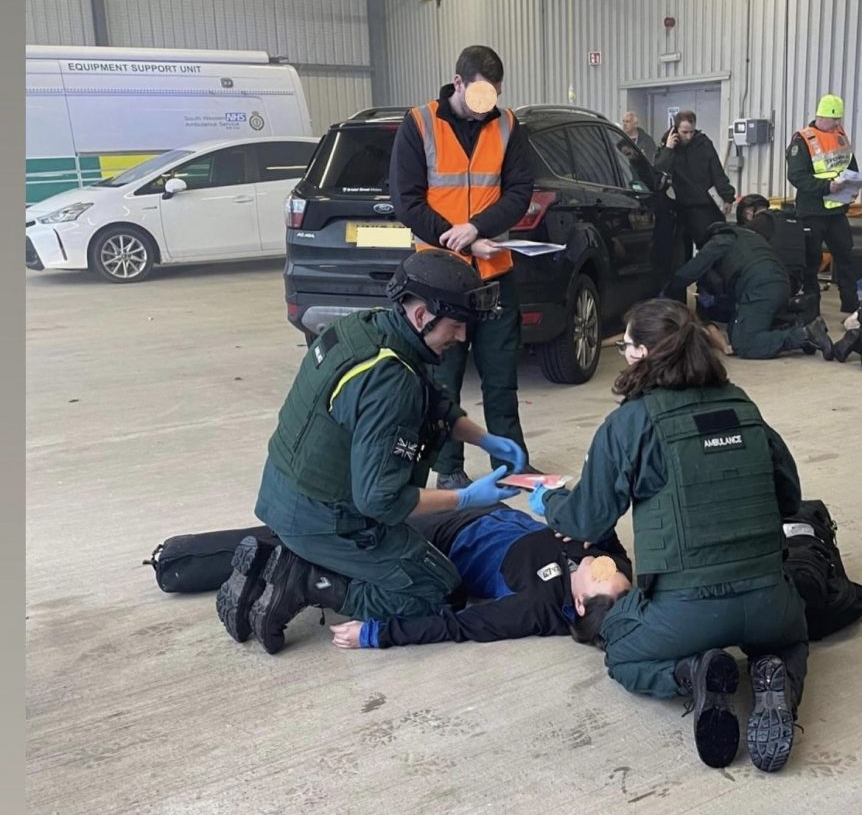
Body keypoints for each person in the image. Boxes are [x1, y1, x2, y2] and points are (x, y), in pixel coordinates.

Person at [529, 299, 809, 773]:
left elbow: (587, 521)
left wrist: (549, 502)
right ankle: (777, 677)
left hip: (685, 614)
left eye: (626, 346)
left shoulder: (631, 422)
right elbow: (789, 497)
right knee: (793, 641)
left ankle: (691, 672)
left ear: (640, 354)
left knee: (619, 653)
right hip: (769, 604)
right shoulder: (743, 405)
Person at [216, 249, 528, 654]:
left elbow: (432, 403)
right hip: (326, 517)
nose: (462, 337)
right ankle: (308, 579)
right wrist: (466, 498)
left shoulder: (367, 330)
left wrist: (483, 438)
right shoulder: (390, 383)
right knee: (438, 592)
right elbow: (381, 500)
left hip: (288, 493)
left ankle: (302, 563)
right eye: (455, 326)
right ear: (421, 317)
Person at [389, 45, 536, 490]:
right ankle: (447, 466)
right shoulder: (419, 124)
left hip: (493, 271)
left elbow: (519, 191)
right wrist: (451, 234)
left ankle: (511, 463)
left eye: (492, 96)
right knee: (441, 378)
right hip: (436, 276)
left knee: (500, 376)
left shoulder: (509, 126)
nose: (484, 107)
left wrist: (475, 228)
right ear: (457, 83)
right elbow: (406, 199)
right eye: (476, 96)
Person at [329, 504, 632, 649]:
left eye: (600, 575)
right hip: (490, 508)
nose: (604, 565)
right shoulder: (614, 571)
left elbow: (457, 625)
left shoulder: (534, 608)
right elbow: (610, 541)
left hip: (449, 535)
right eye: (613, 569)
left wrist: (376, 634)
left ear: (580, 603)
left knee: (358, 523)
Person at [666, 221, 834, 360]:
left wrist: (666, 291)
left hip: (760, 287)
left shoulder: (722, 240)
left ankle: (805, 334)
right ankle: (792, 322)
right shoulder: (750, 239)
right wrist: (716, 301)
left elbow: (692, 270)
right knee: (735, 328)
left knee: (744, 344)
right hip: (780, 283)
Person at [786, 93, 860, 316]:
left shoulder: (839, 136)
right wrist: (827, 187)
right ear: (821, 116)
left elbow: (850, 166)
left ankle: (850, 304)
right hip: (812, 211)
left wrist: (852, 187)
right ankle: (812, 307)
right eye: (833, 120)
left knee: (845, 256)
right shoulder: (803, 140)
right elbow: (796, 176)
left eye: (839, 120)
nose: (837, 124)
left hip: (837, 210)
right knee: (812, 261)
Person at [656, 110, 736, 259]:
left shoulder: (703, 143)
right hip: (678, 209)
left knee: (710, 251)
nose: (688, 136)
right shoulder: (667, 146)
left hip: (702, 206)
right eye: (684, 132)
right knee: (679, 255)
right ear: (676, 130)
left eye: (691, 132)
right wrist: (668, 149)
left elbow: (717, 171)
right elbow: (658, 172)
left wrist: (727, 197)